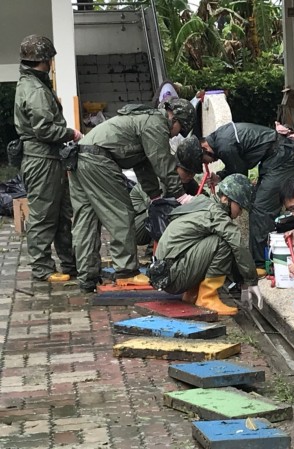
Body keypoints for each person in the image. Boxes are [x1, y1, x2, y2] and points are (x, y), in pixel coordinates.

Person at [70, 98, 196, 293]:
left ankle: (87, 276)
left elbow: (143, 165)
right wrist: (181, 196)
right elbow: (162, 163)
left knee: (87, 218)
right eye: (179, 130)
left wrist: (155, 197)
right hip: (99, 159)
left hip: (80, 155)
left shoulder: (143, 120)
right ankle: (126, 272)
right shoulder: (157, 123)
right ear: (176, 119)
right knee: (121, 213)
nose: (175, 135)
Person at [176, 122, 294, 275]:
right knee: (260, 203)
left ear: (205, 149)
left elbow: (240, 176)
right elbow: (237, 167)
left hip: (283, 159)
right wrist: (220, 177)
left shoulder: (225, 146)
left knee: (261, 208)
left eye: (203, 161)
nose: (208, 163)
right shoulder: (219, 139)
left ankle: (260, 265)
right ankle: (268, 256)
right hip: (275, 158)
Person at [13, 35, 82, 282]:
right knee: (44, 214)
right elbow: (44, 130)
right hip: (41, 160)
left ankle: (70, 263)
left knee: (62, 213)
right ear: (44, 60)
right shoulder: (35, 90)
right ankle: (42, 268)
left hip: (49, 159)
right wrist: (71, 133)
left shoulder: (34, 85)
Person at [150, 174, 262, 316]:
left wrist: (244, 276)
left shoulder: (203, 202)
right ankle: (207, 298)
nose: (240, 213)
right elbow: (237, 244)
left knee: (214, 239)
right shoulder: (216, 213)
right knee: (223, 242)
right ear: (225, 199)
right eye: (240, 207)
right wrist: (251, 281)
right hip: (172, 276)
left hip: (166, 272)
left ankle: (192, 294)